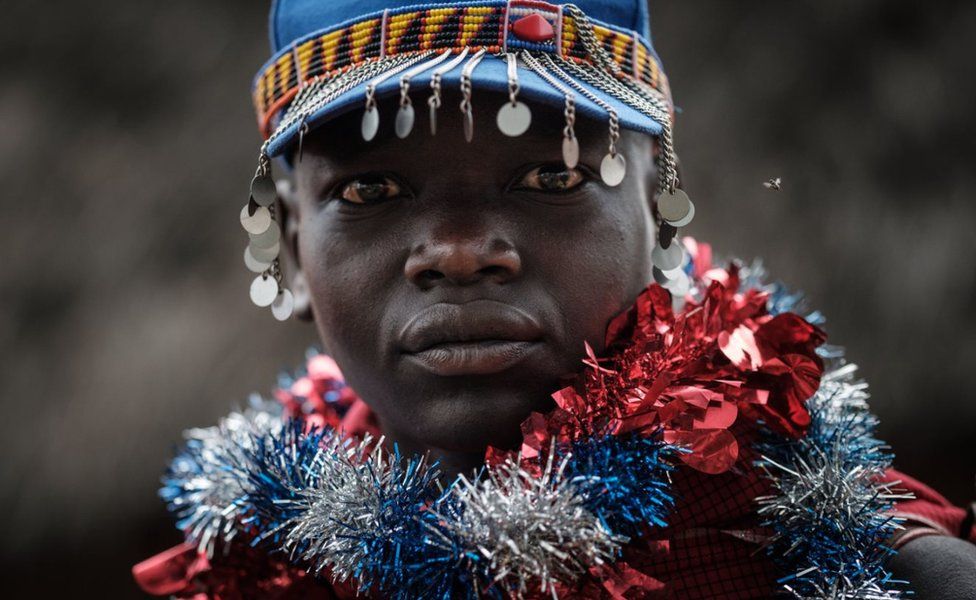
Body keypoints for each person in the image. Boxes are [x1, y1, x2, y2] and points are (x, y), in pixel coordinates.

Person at [133, 1, 976, 598]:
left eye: (552, 175)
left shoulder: (868, 563)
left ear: (656, 211)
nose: (459, 252)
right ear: (290, 243)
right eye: (370, 191)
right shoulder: (250, 563)